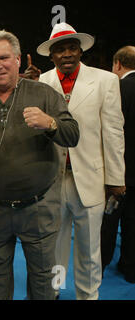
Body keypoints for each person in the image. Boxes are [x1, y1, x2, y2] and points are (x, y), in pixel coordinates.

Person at [0, 30, 79, 300]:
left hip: (38, 206)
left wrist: (51, 123)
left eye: (4, 58)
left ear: (18, 60)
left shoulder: (44, 93)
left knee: (43, 281)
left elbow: (73, 134)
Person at [34, 22, 125, 299]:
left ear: (80, 50)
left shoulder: (105, 81)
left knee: (89, 248)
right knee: (53, 246)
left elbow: (112, 132)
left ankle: (88, 295)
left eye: (72, 47)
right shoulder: (41, 83)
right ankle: (55, 291)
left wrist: (116, 179)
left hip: (91, 178)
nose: (67, 54)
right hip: (52, 178)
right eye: (60, 50)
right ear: (52, 56)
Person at [100, 46, 135, 284]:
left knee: (108, 224)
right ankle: (130, 269)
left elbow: (111, 132)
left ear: (118, 65)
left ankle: (97, 271)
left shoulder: (118, 88)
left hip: (119, 171)